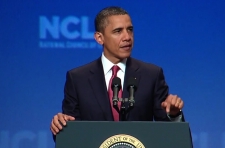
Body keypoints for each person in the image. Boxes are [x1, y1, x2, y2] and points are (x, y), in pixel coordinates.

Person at [50, 6, 185, 136]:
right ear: (99, 38)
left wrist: (173, 114)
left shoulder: (152, 75)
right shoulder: (78, 79)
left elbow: (169, 134)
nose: (127, 37)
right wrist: (60, 125)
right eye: (118, 31)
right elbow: (71, 135)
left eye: (130, 30)